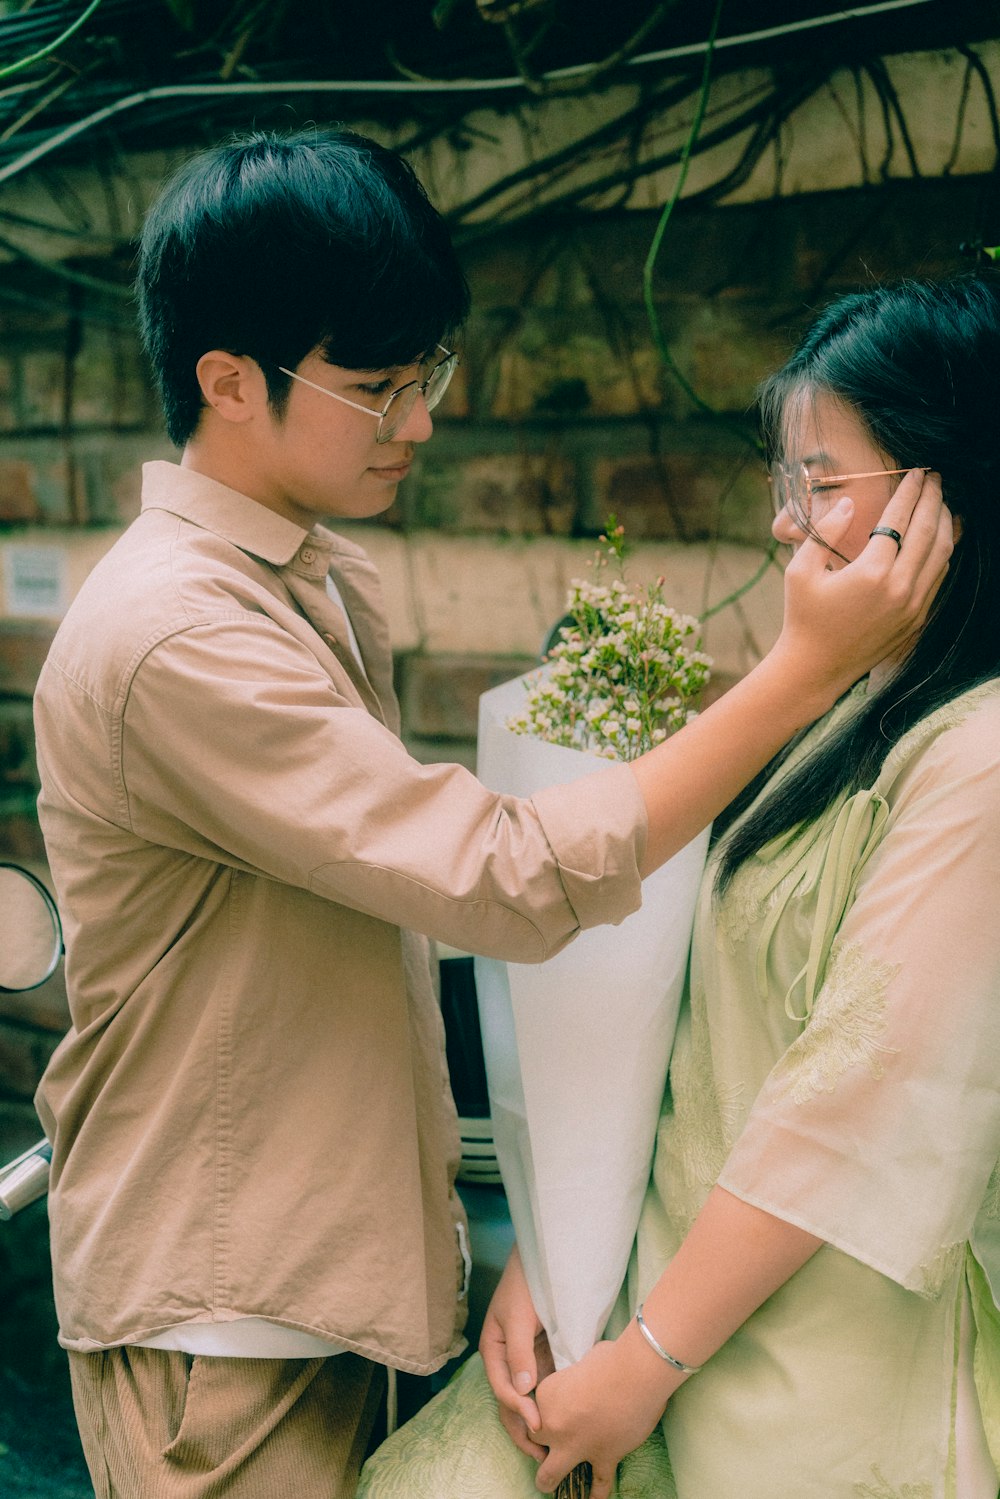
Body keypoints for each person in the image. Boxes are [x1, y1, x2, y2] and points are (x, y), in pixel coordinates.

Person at [31, 125, 949, 1499]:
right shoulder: (179, 634)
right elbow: (494, 873)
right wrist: (800, 668)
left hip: (322, 1284)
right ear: (228, 381)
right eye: (379, 385)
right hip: (224, 1325)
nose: (422, 420)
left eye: (428, 373)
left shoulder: (309, 579)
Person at [357, 272, 1000, 1499]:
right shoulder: (842, 706)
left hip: (809, 1375)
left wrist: (647, 1354)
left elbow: (848, 1110)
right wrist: (559, 1250)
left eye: (820, 484)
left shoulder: (977, 757)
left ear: (940, 497)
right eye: (784, 482)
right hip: (663, 1306)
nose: (782, 522)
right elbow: (688, 1034)